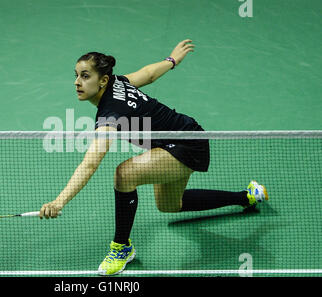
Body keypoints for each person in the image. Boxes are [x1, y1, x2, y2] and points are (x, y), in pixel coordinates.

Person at [39, 39, 269, 276]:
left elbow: (89, 164)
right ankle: (247, 196)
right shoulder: (117, 83)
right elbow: (147, 74)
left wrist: (59, 201)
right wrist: (171, 61)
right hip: (172, 140)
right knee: (169, 205)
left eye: (85, 76)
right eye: (76, 75)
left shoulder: (110, 113)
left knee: (125, 173)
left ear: (103, 80)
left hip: (188, 143)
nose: (77, 82)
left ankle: (121, 247)